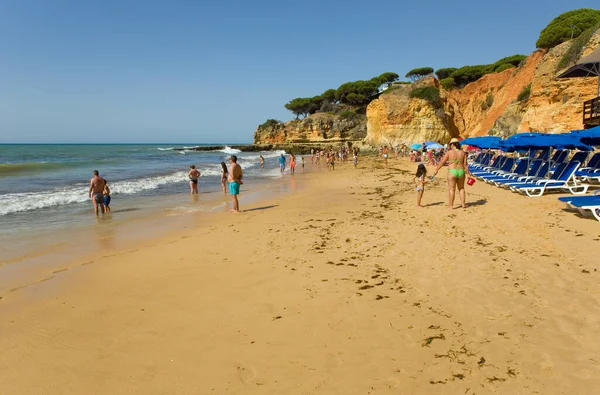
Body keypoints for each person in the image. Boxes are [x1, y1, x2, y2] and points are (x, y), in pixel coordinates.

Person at [434, 138, 469, 209]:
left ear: (452, 144)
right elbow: (465, 165)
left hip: (452, 171)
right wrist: (468, 174)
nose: (450, 146)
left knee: (451, 189)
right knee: (461, 188)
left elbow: (442, 162)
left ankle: (451, 206)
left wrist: (436, 169)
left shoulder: (449, 152)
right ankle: (463, 204)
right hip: (461, 171)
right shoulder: (463, 153)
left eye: (450, 144)